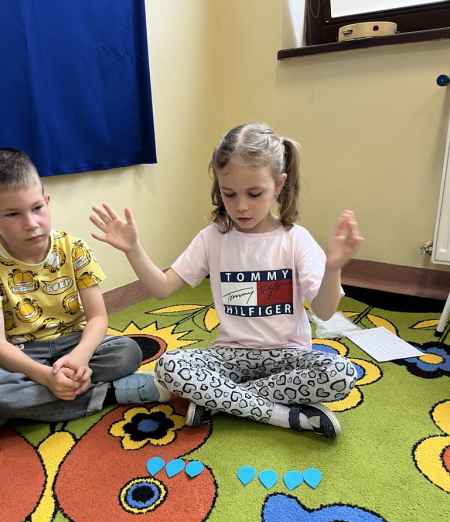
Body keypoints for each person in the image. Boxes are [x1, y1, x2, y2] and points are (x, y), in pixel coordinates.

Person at [90, 123, 363, 438]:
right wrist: (133, 250)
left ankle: (217, 400)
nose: (241, 206)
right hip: (230, 357)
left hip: (288, 355)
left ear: (279, 184)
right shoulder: (213, 237)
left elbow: (325, 311)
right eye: (229, 194)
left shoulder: (295, 239)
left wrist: (333, 268)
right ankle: (285, 416)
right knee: (169, 366)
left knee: (340, 373)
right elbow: (162, 288)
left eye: (255, 194)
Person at [0, 148, 161, 428]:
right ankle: (108, 393)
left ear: (47, 202)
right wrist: (45, 376)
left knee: (127, 351)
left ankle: (42, 400)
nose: (31, 224)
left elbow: (98, 317)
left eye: (37, 208)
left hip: (73, 343)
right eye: (12, 214)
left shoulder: (73, 248)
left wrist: (80, 357)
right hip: (22, 355)